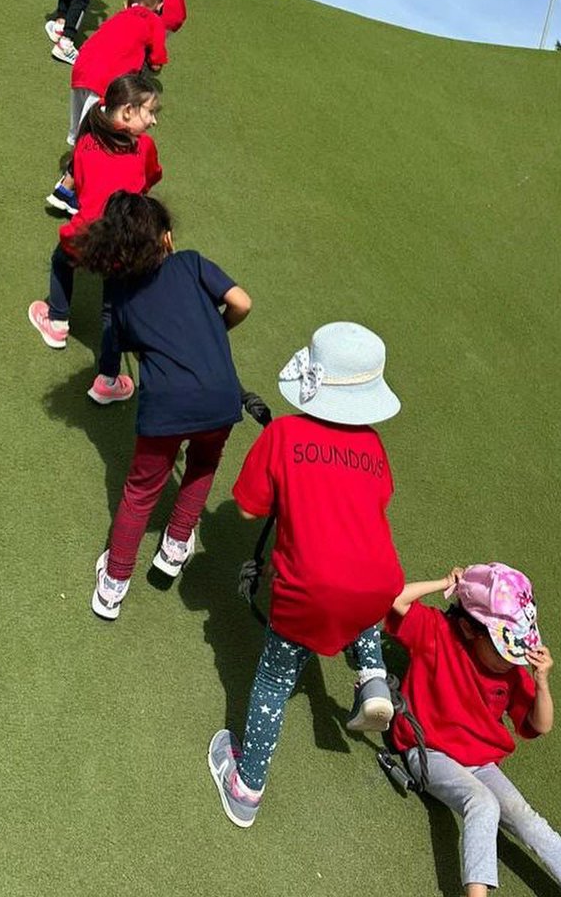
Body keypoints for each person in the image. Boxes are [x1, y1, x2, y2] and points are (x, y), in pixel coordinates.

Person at [208, 321, 405, 828]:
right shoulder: (375, 447)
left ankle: (246, 786)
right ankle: (373, 673)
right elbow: (376, 503)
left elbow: (249, 511)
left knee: (275, 677)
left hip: (311, 589)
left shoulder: (284, 434)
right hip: (379, 584)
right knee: (359, 595)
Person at [74, 192, 251, 620]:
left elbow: (122, 345)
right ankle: (174, 545)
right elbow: (242, 302)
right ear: (166, 239)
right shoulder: (191, 263)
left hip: (166, 408)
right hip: (221, 395)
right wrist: (216, 326)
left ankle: (114, 585)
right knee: (204, 464)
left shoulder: (121, 296)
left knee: (139, 493)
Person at [387, 563, 561, 897]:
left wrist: (542, 683)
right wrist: (444, 582)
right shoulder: (436, 631)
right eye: (503, 647)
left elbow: (540, 724)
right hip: (428, 750)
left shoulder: (511, 672)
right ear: (470, 629)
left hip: (480, 762)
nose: (512, 659)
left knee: (527, 819)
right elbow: (393, 599)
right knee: (482, 803)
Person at [28, 76, 161, 405]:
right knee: (112, 311)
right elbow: (151, 178)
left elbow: (84, 188)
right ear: (128, 111)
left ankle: (57, 321)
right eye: (150, 112)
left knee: (62, 261)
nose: (154, 119)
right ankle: (108, 379)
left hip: (84, 236)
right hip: (125, 244)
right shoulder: (144, 147)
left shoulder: (85, 145)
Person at [46, 0, 167, 216]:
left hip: (81, 71)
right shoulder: (154, 22)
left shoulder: (119, 16)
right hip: (107, 82)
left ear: (127, 3)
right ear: (160, 5)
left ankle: (68, 188)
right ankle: (68, 190)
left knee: (81, 133)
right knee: (94, 137)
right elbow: (157, 63)